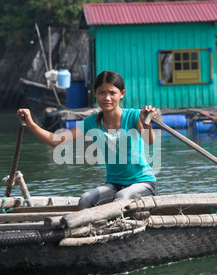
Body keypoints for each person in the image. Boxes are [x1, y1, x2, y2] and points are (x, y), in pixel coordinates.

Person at [17, 70, 158, 209]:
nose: (107, 98)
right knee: (85, 200)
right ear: (95, 93)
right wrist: (31, 124)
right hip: (114, 184)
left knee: (122, 198)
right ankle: (98, 229)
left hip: (143, 184)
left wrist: (146, 124)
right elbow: (55, 140)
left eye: (112, 93)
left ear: (122, 94)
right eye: (102, 92)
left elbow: (149, 141)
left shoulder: (134, 116)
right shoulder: (91, 122)